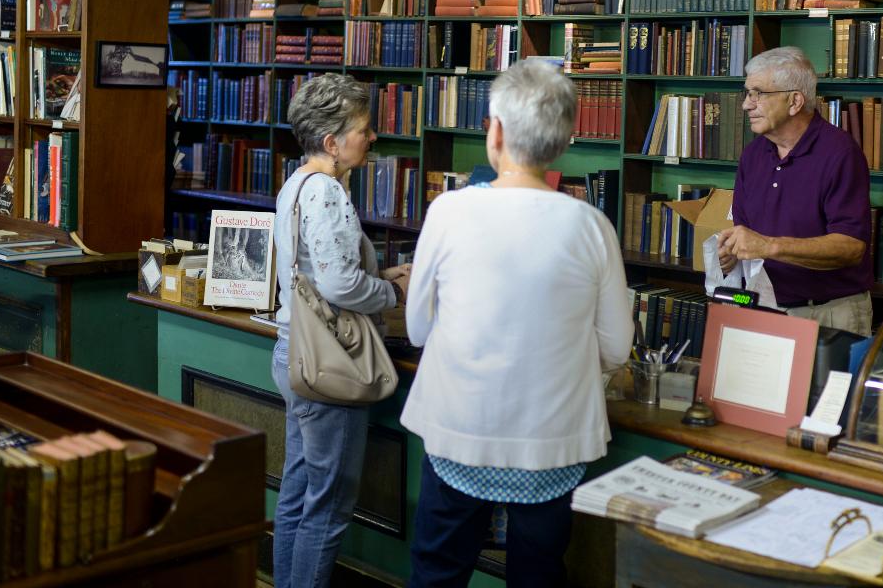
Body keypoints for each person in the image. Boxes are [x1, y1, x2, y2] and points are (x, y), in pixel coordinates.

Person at [401, 59, 633, 588]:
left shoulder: (449, 212)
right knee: (537, 576)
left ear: (497, 132)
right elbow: (617, 347)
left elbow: (417, 329)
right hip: (550, 439)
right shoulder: (592, 225)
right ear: (567, 139)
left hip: (458, 428)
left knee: (437, 572)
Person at [271, 74, 412, 588]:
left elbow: (315, 273)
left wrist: (376, 276)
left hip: (294, 352)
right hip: (331, 365)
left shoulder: (296, 182)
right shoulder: (327, 190)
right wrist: (392, 293)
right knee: (327, 510)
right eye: (363, 129)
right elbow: (337, 285)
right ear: (332, 142)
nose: (371, 137)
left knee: (297, 494)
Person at [718, 46, 874, 336]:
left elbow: (851, 247)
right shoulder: (752, 155)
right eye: (747, 93)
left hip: (828, 314)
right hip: (764, 309)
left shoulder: (840, 154)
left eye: (757, 94)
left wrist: (769, 246)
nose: (746, 105)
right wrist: (733, 254)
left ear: (794, 101)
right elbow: (746, 232)